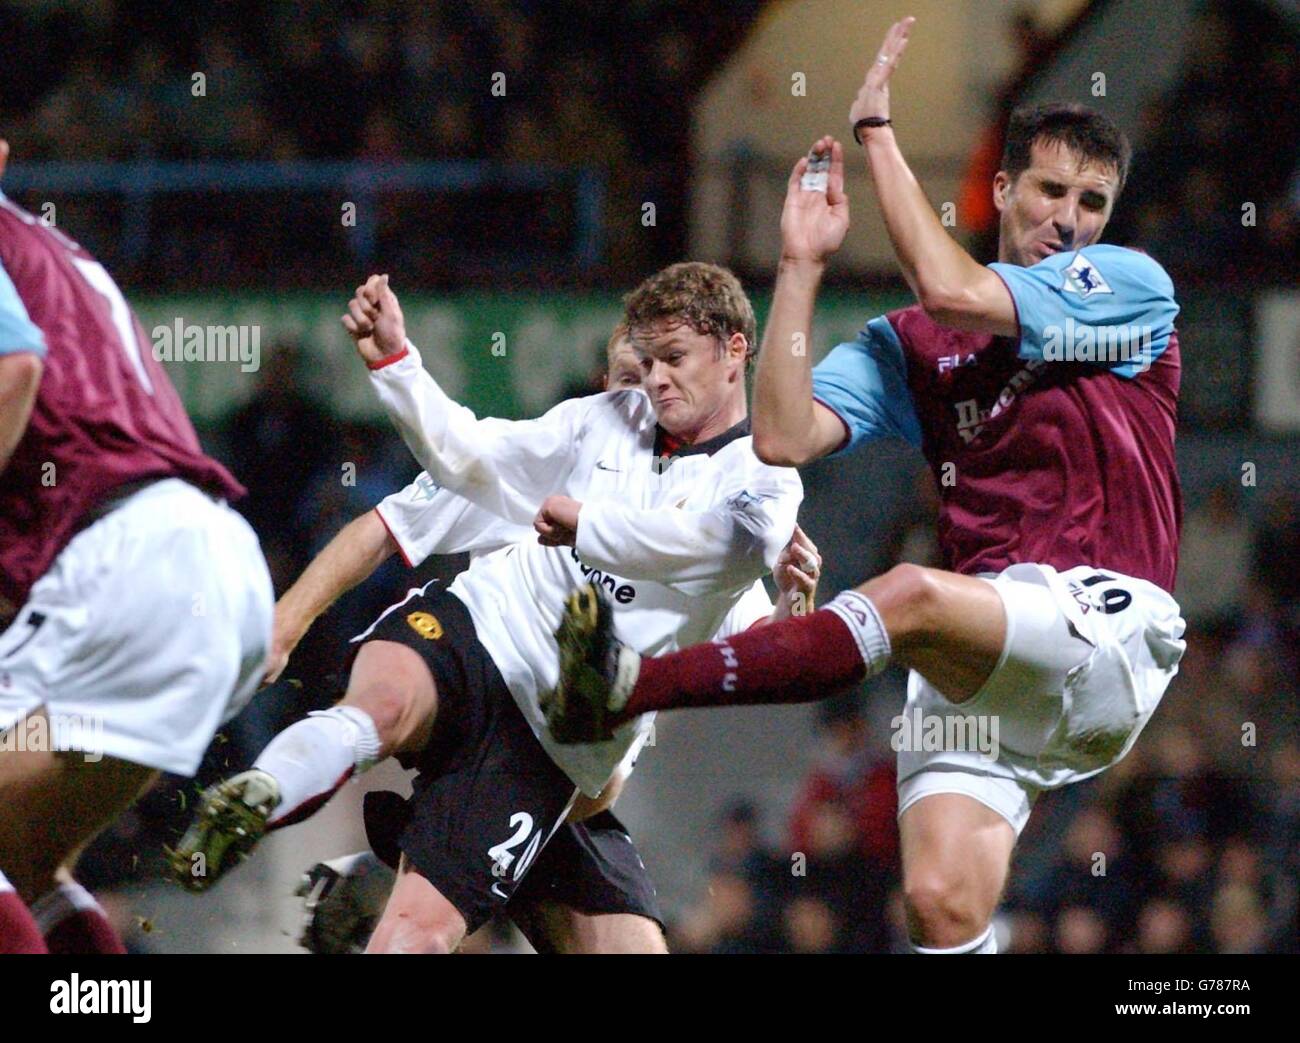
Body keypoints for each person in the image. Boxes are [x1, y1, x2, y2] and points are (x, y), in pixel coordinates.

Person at [544, 17, 1186, 956]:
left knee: (909, 593)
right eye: (1051, 190)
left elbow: (955, 289)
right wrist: (800, 264)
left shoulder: (1128, 288)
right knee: (939, 906)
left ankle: (635, 682)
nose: (1069, 218)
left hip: (1109, 626)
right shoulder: (912, 348)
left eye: (1093, 200)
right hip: (993, 666)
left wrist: (877, 136)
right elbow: (781, 433)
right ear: (1004, 189)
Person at [172, 262, 810, 954]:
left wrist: (793, 614)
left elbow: (738, 592)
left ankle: (375, 884)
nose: (649, 383)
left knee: (434, 928)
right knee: (379, 710)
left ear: (735, 349)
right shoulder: (584, 435)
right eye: (638, 365)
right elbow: (436, 481)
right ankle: (266, 789)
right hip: (483, 638)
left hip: (559, 762)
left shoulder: (753, 489)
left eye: (668, 361)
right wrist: (396, 362)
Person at [0, 138, 273, 954]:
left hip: (126, 562)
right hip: (204, 562)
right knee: (32, 863)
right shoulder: (50, 250)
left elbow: (13, 369)